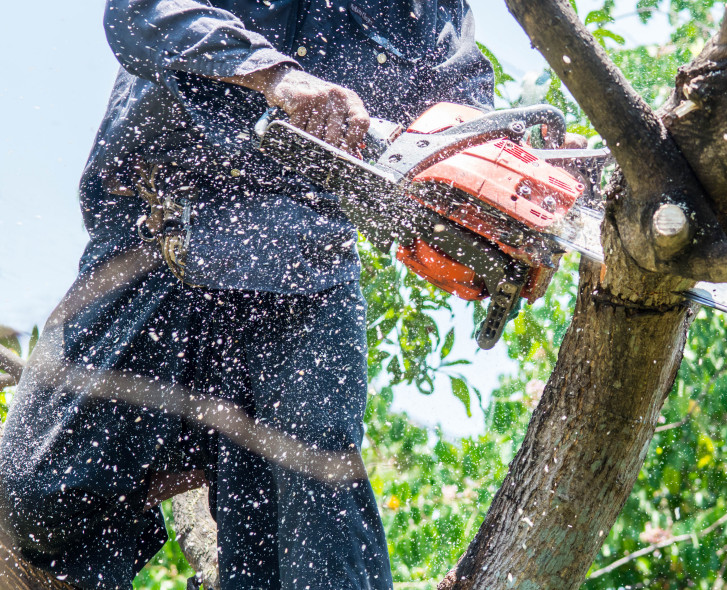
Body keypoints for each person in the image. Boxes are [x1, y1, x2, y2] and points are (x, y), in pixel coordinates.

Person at [0, 1, 493, 589]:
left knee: (310, 524)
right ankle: (172, 460)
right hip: (161, 233)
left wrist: (492, 187)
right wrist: (274, 75)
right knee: (32, 498)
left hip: (303, 266)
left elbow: (461, 98)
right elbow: (139, 11)